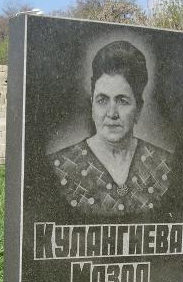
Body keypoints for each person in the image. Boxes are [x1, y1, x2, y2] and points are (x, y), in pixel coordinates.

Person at [48, 40, 173, 216]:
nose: (112, 113)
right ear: (92, 105)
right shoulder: (59, 168)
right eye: (102, 100)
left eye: (122, 101)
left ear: (139, 108)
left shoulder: (165, 166)